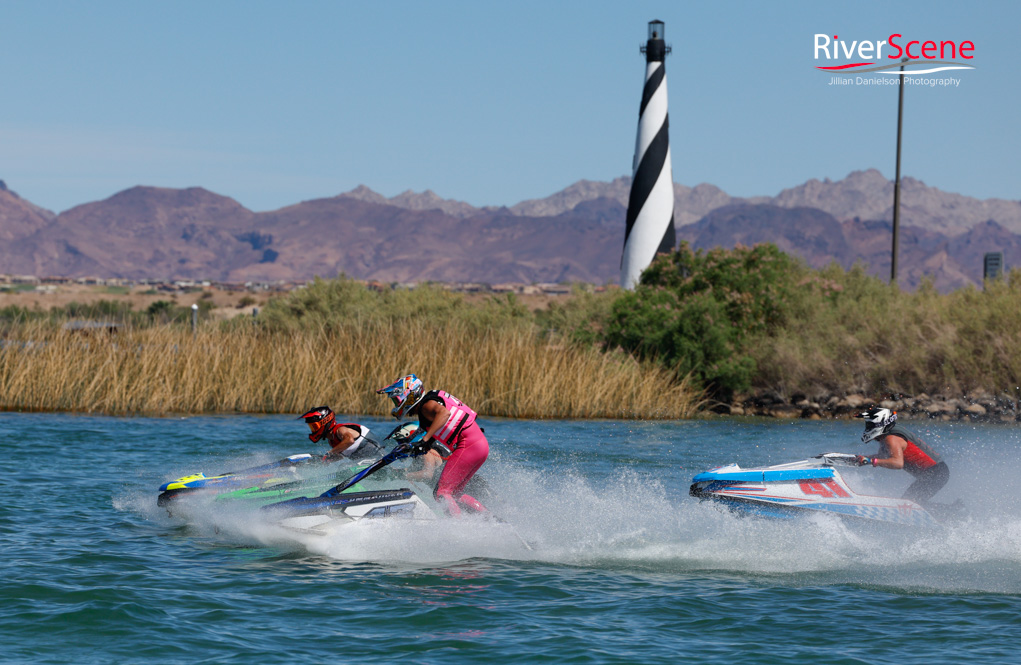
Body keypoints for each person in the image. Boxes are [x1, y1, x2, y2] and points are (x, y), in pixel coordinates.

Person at [376, 374, 489, 516]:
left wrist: (424, 440)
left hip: (469, 445)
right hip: (479, 446)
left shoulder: (426, 405)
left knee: (441, 492)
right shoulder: (427, 411)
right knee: (454, 494)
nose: (395, 404)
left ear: (409, 395)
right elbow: (429, 443)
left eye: (396, 399)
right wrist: (413, 448)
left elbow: (444, 413)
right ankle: (490, 520)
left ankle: (456, 527)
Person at [855, 406, 949, 504]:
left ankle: (951, 513)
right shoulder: (888, 435)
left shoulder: (891, 438)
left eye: (869, 424)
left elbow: (897, 463)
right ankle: (954, 511)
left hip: (936, 474)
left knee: (908, 503)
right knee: (910, 502)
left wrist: (869, 461)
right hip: (935, 473)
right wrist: (863, 458)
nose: (867, 427)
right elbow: (883, 457)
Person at [299, 405, 382, 462]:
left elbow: (350, 440)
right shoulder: (331, 441)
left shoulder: (340, 430)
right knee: (343, 468)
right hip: (363, 460)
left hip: (376, 453)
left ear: (325, 421)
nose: (313, 430)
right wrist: (323, 461)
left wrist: (330, 453)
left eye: (314, 427)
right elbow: (340, 456)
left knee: (344, 468)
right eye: (311, 427)